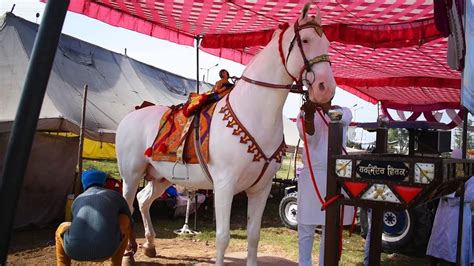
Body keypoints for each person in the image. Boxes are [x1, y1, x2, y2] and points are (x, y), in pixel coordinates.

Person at [297, 100, 354, 266]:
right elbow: (309, 137)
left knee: (330, 231)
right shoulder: (303, 113)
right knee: (306, 230)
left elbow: (339, 118)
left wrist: (325, 107)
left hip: (335, 176)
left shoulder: (345, 110)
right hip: (311, 177)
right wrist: (309, 115)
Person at [55, 170, 137, 266]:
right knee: (125, 218)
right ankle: (116, 263)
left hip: (74, 251)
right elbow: (130, 223)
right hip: (107, 250)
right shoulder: (115, 196)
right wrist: (133, 242)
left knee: (63, 226)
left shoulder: (77, 199)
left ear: (84, 184)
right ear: (104, 183)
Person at [426, 149, 474, 265]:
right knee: (438, 239)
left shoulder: (471, 177)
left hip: (459, 213)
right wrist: (451, 192)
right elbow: (436, 189)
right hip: (443, 211)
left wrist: (448, 194)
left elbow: (468, 196)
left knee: (456, 242)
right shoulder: (447, 173)